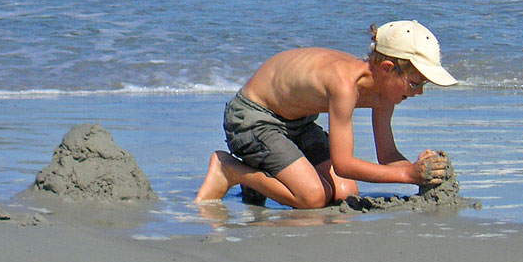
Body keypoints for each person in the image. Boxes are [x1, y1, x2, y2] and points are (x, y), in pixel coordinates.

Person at [196, 20, 457, 209]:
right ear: (388, 68)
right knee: (313, 197)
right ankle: (230, 170)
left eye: (424, 84)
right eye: (415, 83)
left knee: (345, 191)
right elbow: (344, 164)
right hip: (254, 118)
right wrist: (408, 175)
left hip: (297, 124)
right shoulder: (344, 84)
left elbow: (387, 156)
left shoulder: (384, 92)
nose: (419, 92)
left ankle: (261, 176)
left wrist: (420, 169)